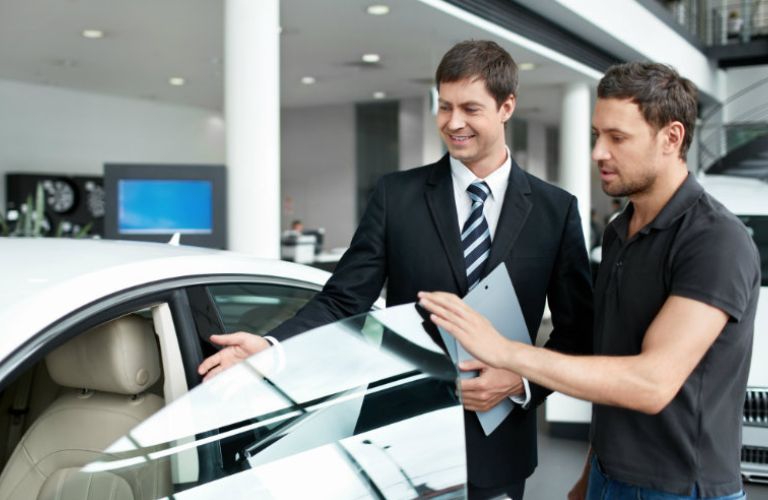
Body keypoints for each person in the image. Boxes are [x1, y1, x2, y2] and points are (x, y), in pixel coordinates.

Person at [198, 40, 593, 500]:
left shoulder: (555, 210)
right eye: (444, 106)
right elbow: (344, 299)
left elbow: (578, 332)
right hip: (399, 437)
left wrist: (521, 381)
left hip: (500, 440)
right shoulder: (396, 196)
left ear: (507, 107)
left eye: (470, 108)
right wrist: (270, 346)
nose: (453, 122)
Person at [419, 62, 761, 500]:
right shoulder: (621, 232)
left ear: (671, 138)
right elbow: (611, 368)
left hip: (679, 489)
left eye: (617, 138)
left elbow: (650, 384)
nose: (598, 152)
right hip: (608, 477)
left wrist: (507, 352)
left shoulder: (715, 240)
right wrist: (588, 478)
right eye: (597, 136)